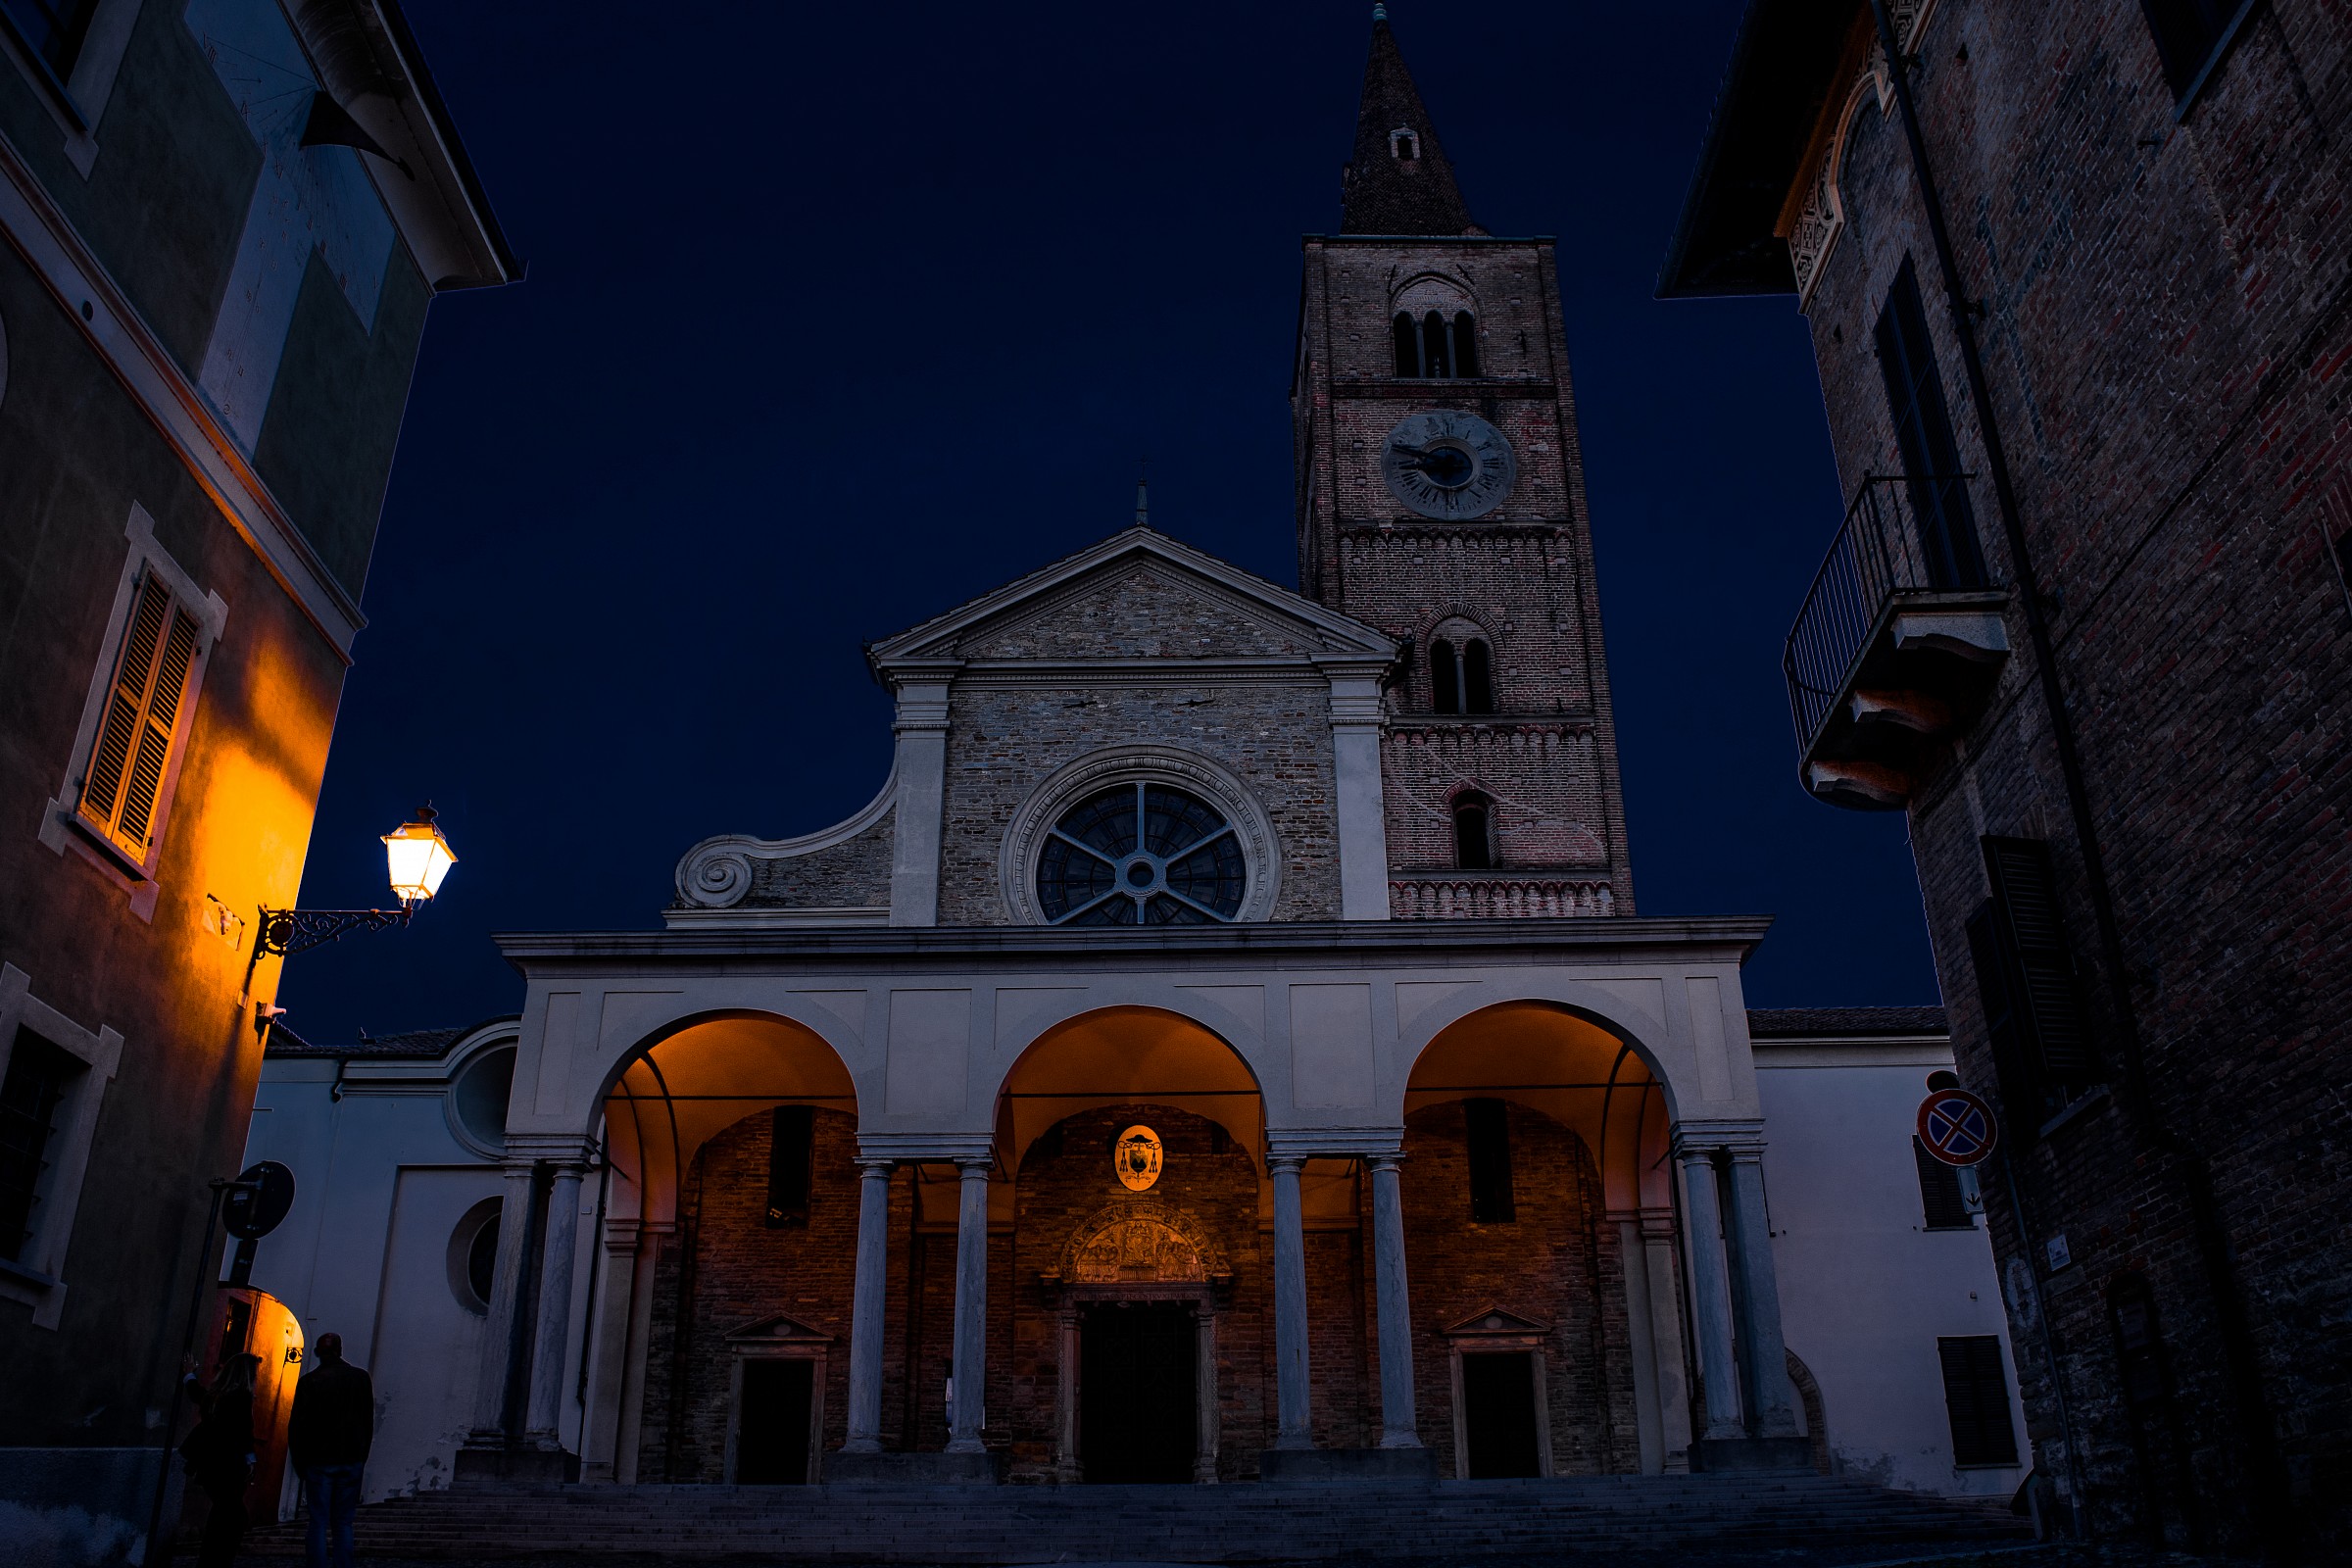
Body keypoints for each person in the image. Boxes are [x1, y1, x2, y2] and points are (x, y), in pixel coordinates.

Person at [287, 1332, 373, 1568]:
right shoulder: (360, 1378)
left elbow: (297, 1426)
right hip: (351, 1458)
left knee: (318, 1520)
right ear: (340, 1350)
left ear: (317, 1352)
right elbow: (368, 1420)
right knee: (344, 1522)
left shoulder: (309, 1382)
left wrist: (300, 1462)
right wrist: (362, 1455)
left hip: (319, 1460)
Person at [180, 1352, 261, 1568]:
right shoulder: (241, 1397)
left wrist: (189, 1375)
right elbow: (244, 1431)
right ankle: (218, 1560)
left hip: (209, 1464)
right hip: (229, 1465)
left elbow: (197, 1394)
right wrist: (250, 1459)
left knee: (223, 1512)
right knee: (233, 1515)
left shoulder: (217, 1396)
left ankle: (211, 1559)